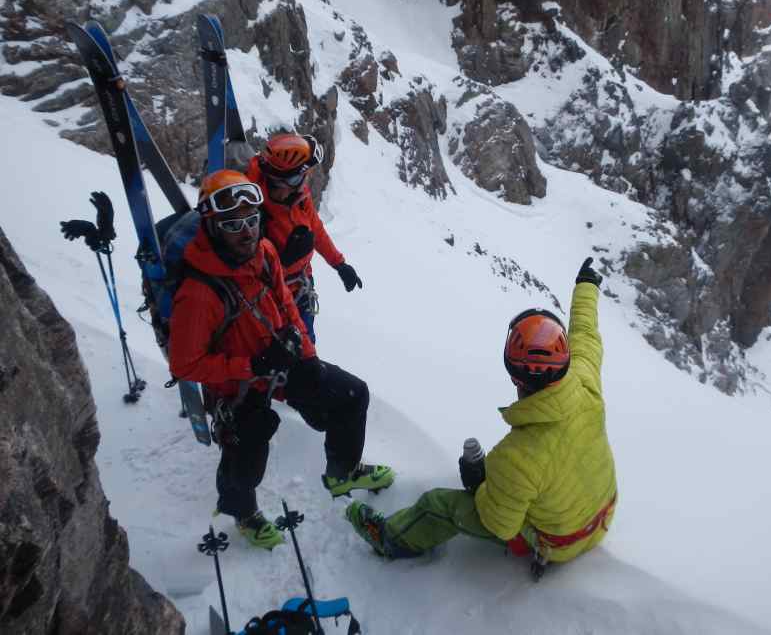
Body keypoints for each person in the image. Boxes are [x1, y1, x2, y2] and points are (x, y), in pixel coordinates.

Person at [343, 258, 617, 575]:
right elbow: (586, 334)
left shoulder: (516, 457)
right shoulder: (585, 381)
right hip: (603, 516)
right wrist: (586, 285)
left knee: (438, 504)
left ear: (516, 379)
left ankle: (389, 538)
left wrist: (479, 484)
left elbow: (501, 525)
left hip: (558, 543)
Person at [168, 170, 394, 549]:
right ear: (212, 226)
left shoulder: (265, 252)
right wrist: (250, 367)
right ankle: (243, 513)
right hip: (237, 384)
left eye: (252, 220)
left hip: (280, 359)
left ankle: (343, 472)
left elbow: (288, 306)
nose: (247, 231)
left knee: (352, 395)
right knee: (246, 457)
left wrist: (307, 357)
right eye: (233, 224)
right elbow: (185, 365)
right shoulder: (199, 294)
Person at [246, 132, 361, 342]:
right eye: (303, 175)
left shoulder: (298, 196)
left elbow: (316, 229)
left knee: (306, 348)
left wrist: (339, 264)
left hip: (301, 288)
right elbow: (245, 270)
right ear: (289, 178)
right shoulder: (251, 211)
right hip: (271, 299)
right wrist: (282, 262)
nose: (306, 180)